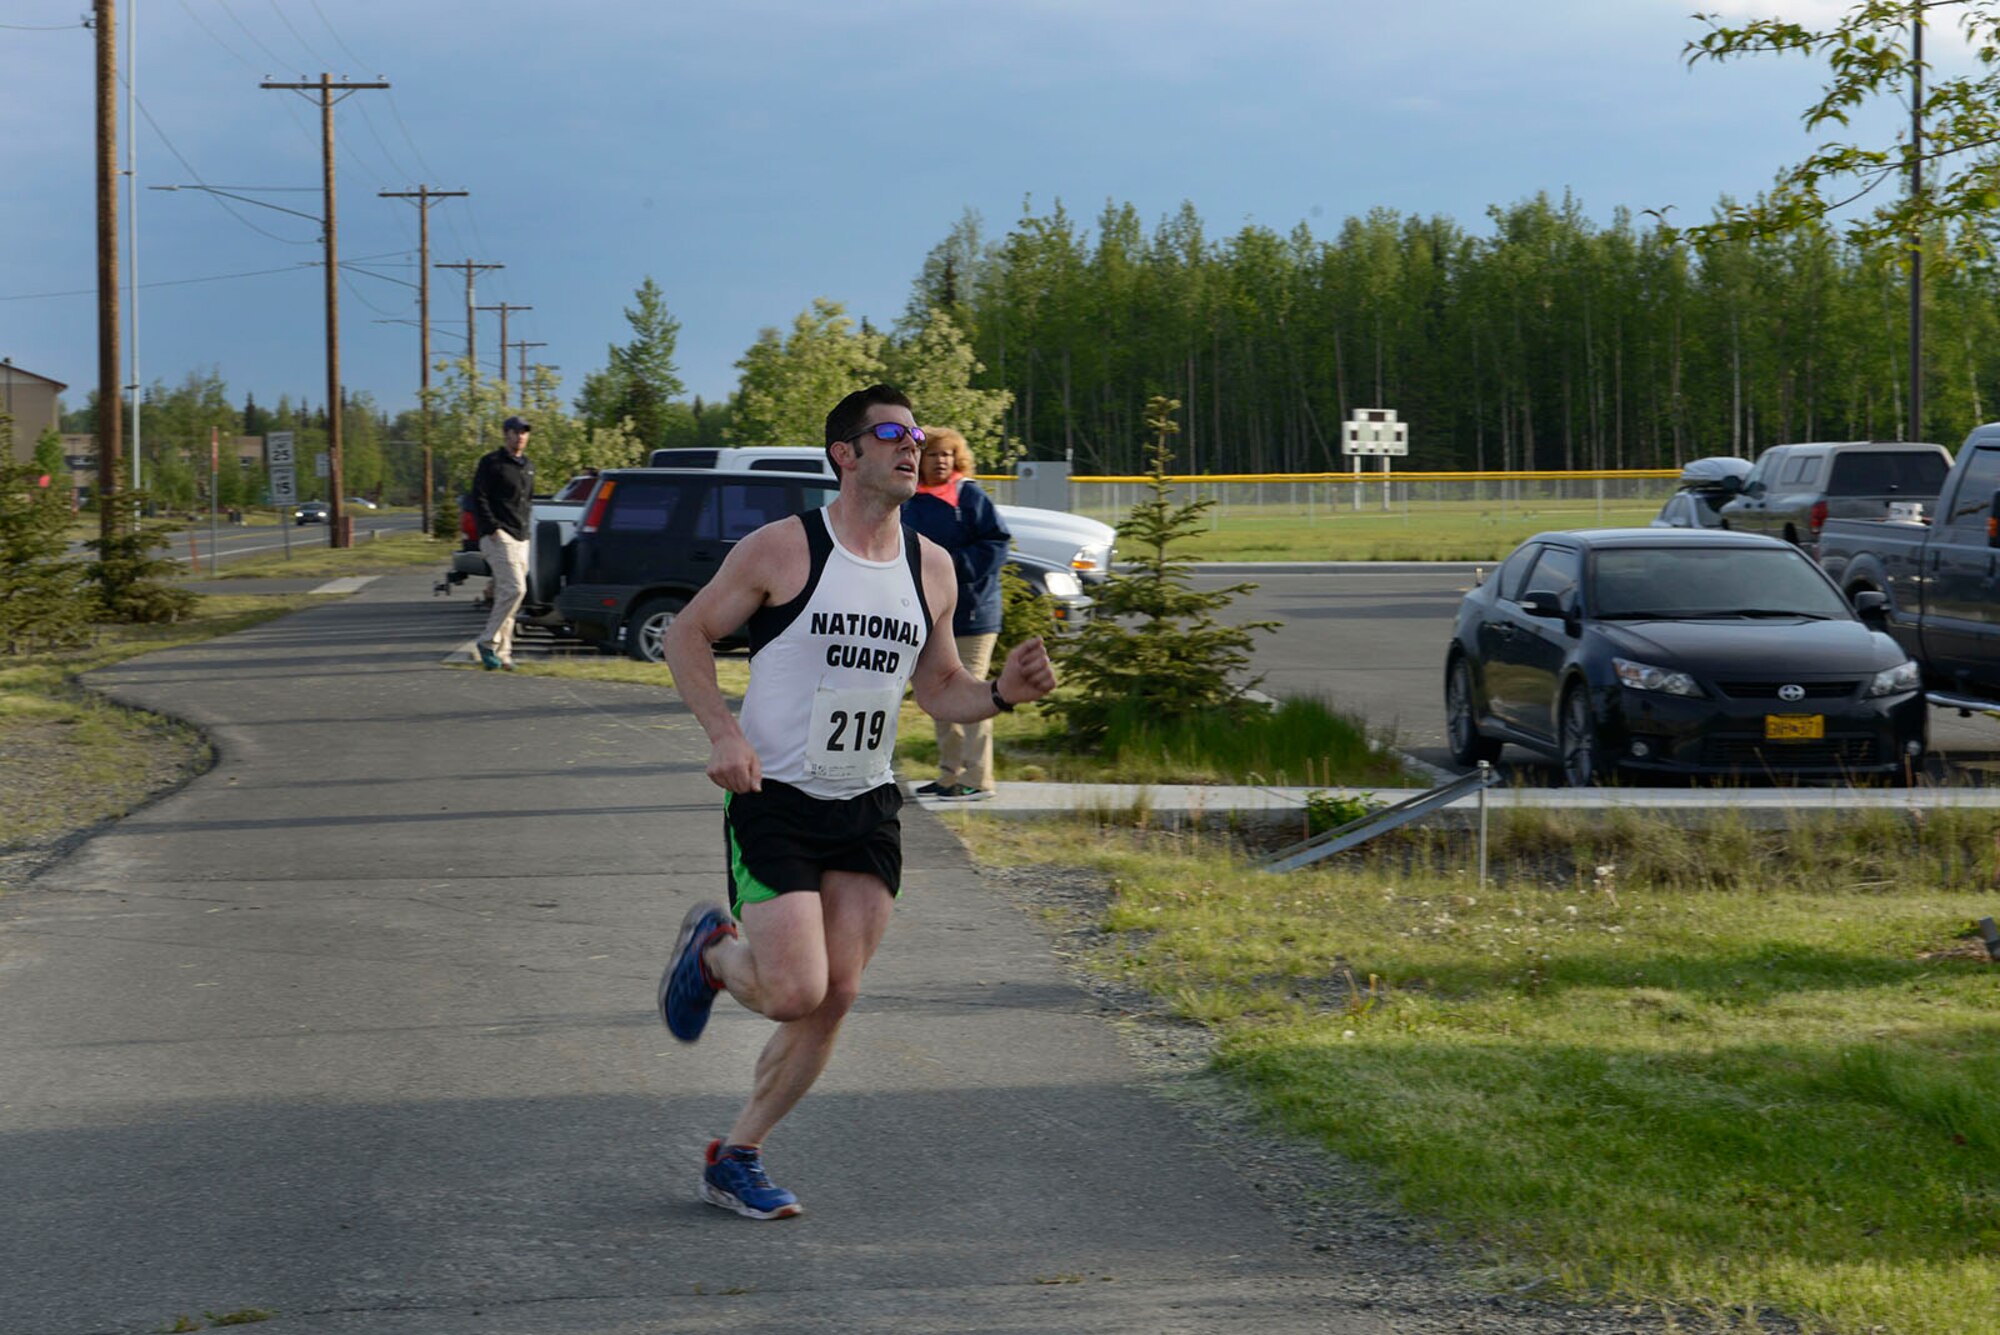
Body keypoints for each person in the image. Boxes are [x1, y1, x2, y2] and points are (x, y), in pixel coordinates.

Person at [658, 384, 1057, 1221]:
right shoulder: (783, 549)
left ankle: (740, 1152)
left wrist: (1004, 696)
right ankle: (714, 956)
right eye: (890, 432)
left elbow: (942, 687)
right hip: (775, 795)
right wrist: (724, 735)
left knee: (838, 991)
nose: (912, 445)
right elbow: (685, 632)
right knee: (794, 989)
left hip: (867, 800)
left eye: (916, 433)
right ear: (845, 453)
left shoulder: (931, 565)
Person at [900, 426, 1011, 801]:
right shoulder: (909, 501)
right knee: (937, 697)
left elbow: (997, 542)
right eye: (933, 454)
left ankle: (980, 780)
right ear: (919, 459)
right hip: (929, 616)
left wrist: (953, 566)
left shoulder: (970, 496)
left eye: (948, 454)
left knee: (973, 693)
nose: (941, 461)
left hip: (974, 617)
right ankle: (950, 776)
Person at [469, 415, 535, 670]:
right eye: (516, 431)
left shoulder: (527, 466)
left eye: (524, 432)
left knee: (509, 596)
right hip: (499, 536)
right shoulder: (491, 463)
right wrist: (493, 529)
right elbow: (479, 497)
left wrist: (526, 533)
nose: (521, 436)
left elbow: (526, 502)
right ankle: (487, 641)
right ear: (506, 434)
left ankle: (503, 654)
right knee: (515, 589)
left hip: (521, 537)